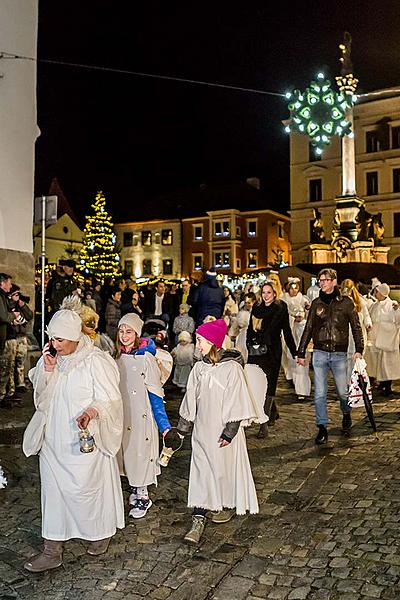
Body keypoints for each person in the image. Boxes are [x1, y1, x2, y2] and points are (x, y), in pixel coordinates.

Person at [23, 296, 124, 573]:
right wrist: (47, 370)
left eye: (60, 340)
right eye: (52, 339)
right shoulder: (52, 360)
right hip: (54, 439)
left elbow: (111, 399)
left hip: (84, 440)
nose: (55, 345)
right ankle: (51, 549)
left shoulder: (96, 361)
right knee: (53, 492)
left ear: (75, 338)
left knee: (87, 490)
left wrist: (92, 412)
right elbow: (41, 397)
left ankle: (99, 532)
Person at [177, 319, 262, 544]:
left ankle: (221, 504)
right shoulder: (199, 368)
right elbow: (191, 398)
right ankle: (198, 517)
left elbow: (238, 400)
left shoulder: (231, 369)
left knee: (221, 471)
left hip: (222, 433)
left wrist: (229, 432)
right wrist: (183, 427)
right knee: (201, 472)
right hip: (202, 432)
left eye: (201, 341)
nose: (197, 345)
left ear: (213, 343)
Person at [297, 268, 363, 445]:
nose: (322, 282)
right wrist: (301, 352)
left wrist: (359, 349)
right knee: (319, 393)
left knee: (342, 391)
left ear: (334, 281)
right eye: (320, 280)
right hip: (319, 352)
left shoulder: (346, 303)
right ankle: (322, 427)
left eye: (325, 280)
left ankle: (346, 413)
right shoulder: (316, 302)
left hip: (340, 353)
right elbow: (308, 327)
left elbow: (356, 327)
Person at [116, 313, 171, 519]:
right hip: (124, 414)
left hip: (141, 416)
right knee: (127, 452)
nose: (124, 335)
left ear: (137, 333)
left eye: (128, 331)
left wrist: (163, 424)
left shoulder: (146, 358)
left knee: (140, 453)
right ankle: (134, 487)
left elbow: (155, 394)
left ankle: (143, 495)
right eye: (121, 331)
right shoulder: (118, 356)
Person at [246, 281, 297, 438]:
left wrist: (295, 351)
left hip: (272, 350)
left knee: (269, 385)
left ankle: (263, 423)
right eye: (263, 292)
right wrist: (250, 344)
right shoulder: (257, 308)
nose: (266, 295)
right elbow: (250, 328)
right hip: (256, 351)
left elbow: (286, 331)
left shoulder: (280, 308)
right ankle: (272, 411)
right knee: (256, 384)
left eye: (269, 292)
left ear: (275, 293)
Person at [365, 282, 400, 397]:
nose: (375, 294)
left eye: (377, 292)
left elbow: (397, 320)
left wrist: (397, 310)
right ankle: (380, 382)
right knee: (375, 363)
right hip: (375, 339)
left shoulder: (392, 305)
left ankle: (387, 386)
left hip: (387, 340)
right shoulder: (375, 305)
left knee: (387, 364)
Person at [340, 279, 372, 380]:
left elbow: (366, 315)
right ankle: (347, 381)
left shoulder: (359, 301)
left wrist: (368, 324)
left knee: (357, 357)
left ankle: (357, 380)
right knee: (346, 358)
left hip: (358, 332)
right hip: (345, 332)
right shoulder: (339, 301)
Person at [0, 274, 22, 409]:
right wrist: (13, 315)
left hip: (5, 335)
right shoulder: (1, 296)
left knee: (7, 367)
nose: (10, 286)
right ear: (2, 283)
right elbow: (2, 316)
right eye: (9, 283)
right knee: (3, 368)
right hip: (3, 336)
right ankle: (2, 396)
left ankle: (5, 395)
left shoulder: (3, 296)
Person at [8, 284, 34, 397]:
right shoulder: (7, 304)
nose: (18, 296)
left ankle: (20, 383)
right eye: (16, 294)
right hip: (12, 336)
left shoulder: (20, 305)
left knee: (21, 361)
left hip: (21, 336)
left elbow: (29, 316)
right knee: (10, 363)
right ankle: (11, 388)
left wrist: (22, 305)